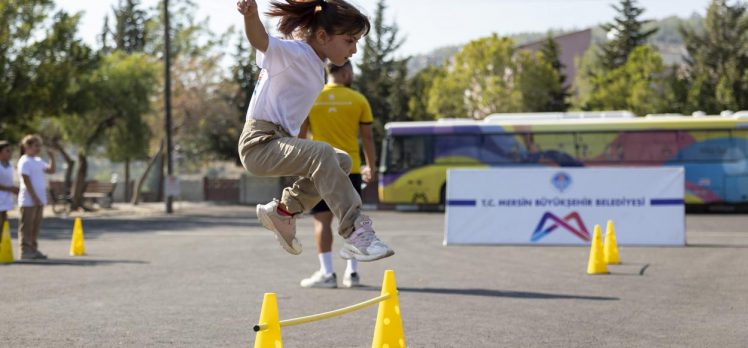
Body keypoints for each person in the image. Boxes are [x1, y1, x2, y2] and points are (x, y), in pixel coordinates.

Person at [236, 0, 394, 261]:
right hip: (259, 143)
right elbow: (260, 40)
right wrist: (251, 16)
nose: (354, 50)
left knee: (341, 160)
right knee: (321, 153)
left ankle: (284, 212)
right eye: (349, 41)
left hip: (278, 140)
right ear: (322, 36)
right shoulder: (295, 53)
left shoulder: (314, 65)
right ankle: (355, 232)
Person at [297, 60, 376, 288]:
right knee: (350, 220)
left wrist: (301, 168)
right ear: (346, 72)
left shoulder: (312, 97)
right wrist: (370, 165)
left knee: (322, 221)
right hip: (349, 168)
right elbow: (367, 138)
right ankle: (352, 274)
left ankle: (327, 273)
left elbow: (301, 137)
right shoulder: (358, 99)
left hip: (319, 169)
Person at [17, 135, 55, 260]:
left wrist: (51, 156)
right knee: (27, 226)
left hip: (39, 199)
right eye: (36, 145)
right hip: (28, 200)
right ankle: (25, 250)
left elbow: (51, 170)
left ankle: (33, 248)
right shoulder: (24, 160)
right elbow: (26, 180)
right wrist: (34, 197)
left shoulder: (38, 160)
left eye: (40, 145)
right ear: (27, 146)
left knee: (35, 226)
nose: (38, 148)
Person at [0, 141, 19, 238]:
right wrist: (10, 188)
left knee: (3, 224)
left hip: (5, 201)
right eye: (7, 151)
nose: (10, 153)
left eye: (10, 151)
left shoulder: (10, 166)